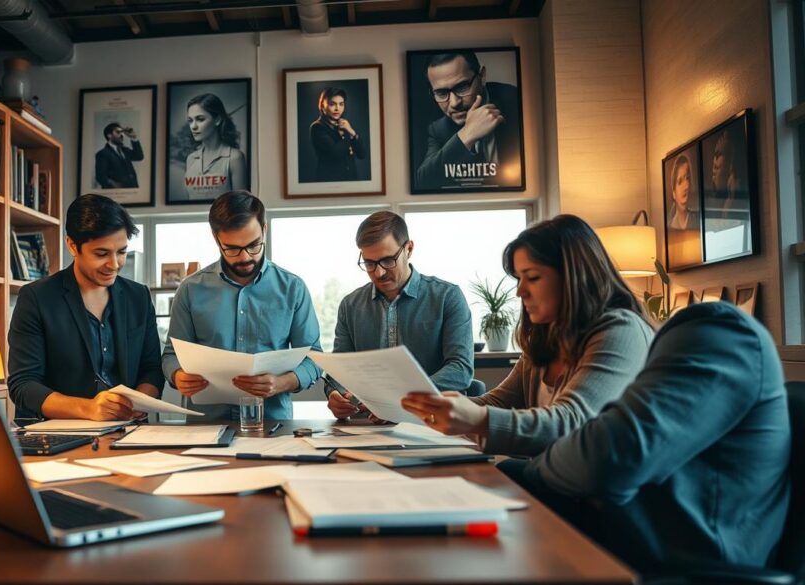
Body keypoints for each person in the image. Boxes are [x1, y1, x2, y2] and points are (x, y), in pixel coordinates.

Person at [499, 302, 790, 573]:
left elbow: (607, 456)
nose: (521, 292)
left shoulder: (718, 333)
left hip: (691, 559)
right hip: (643, 526)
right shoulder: (681, 343)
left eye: (533, 276)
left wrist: (533, 471)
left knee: (510, 491)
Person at [401, 214, 655, 456]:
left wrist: (475, 418)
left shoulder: (621, 332)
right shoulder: (545, 338)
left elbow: (572, 421)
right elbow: (500, 402)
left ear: (573, 277)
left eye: (532, 277)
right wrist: (434, 409)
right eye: (518, 279)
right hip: (551, 477)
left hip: (599, 495)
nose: (520, 292)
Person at [161, 191, 322, 420]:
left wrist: (281, 383)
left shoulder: (292, 288)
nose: (245, 257)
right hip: (205, 427)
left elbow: (314, 358)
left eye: (254, 245)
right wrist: (178, 375)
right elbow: (170, 356)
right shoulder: (190, 289)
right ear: (216, 239)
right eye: (233, 249)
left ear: (264, 230)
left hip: (272, 424)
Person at [8, 194, 164, 420]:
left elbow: (152, 369)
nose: (114, 264)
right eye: (101, 254)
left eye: (121, 252)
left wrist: (141, 400)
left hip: (129, 431)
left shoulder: (138, 296)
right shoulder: (36, 297)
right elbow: (24, 386)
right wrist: (88, 409)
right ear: (72, 245)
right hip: (60, 433)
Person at [326, 211, 474, 419]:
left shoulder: (447, 297)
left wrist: (399, 400)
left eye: (387, 260)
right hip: (367, 428)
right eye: (369, 263)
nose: (378, 273)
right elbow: (339, 371)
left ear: (409, 249)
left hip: (434, 422)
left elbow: (460, 369)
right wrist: (335, 394)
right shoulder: (350, 306)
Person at [414, 51, 521, 190]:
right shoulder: (438, 129)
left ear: (482, 76)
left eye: (462, 87)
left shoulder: (517, 101)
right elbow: (423, 182)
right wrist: (467, 134)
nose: (454, 103)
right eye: (441, 93)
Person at [183, 94, 249, 200]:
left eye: (200, 119)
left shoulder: (234, 158)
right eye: (190, 120)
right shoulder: (190, 159)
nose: (193, 126)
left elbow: (241, 205)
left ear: (217, 120)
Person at [308, 87, 367, 182]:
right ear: (323, 106)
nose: (337, 108)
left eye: (341, 104)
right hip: (330, 183)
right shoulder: (318, 127)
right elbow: (336, 153)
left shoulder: (343, 125)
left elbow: (362, 154)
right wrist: (348, 134)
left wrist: (352, 132)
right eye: (332, 104)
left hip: (351, 181)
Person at [95, 122, 143, 189]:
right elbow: (100, 176)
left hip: (132, 191)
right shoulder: (103, 153)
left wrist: (133, 137)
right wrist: (113, 184)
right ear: (109, 135)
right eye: (118, 132)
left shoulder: (125, 150)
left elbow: (139, 157)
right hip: (116, 194)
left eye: (122, 132)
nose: (122, 135)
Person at [668, 154, 700, 231]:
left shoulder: (698, 220)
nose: (686, 186)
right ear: (674, 193)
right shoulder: (670, 226)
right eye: (680, 181)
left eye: (687, 178)